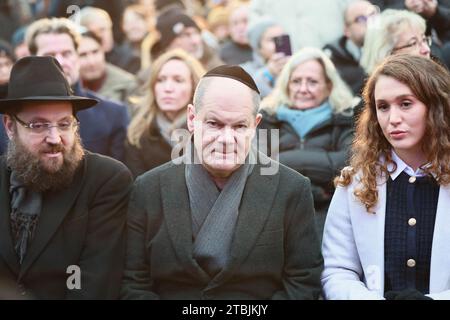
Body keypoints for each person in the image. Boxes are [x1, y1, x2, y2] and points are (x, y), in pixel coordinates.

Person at [121, 65, 323, 300]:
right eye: (214, 124)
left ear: (255, 125)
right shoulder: (148, 188)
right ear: (192, 119)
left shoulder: (291, 189)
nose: (226, 139)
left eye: (239, 126)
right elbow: (133, 282)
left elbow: (303, 281)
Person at [0, 55, 133, 299]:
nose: (54, 138)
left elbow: (95, 285)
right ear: (10, 126)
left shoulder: (106, 180)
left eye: (64, 124)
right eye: (38, 125)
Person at [321, 54, 450, 300]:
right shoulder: (354, 183)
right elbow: (337, 271)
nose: (393, 119)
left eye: (405, 104)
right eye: (383, 107)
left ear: (435, 106)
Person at [259, 47, 356, 236]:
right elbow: (257, 169)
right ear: (286, 84)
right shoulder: (267, 118)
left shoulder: (346, 117)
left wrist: (281, 161)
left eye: (312, 82)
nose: (303, 89)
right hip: (275, 216)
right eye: (296, 81)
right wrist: (312, 191)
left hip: (330, 217)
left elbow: (348, 165)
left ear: (329, 86)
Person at [25, 17, 130, 162]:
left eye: (67, 53)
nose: (60, 62)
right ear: (32, 59)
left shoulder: (114, 114)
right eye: (50, 55)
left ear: (77, 55)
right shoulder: (7, 120)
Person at [125, 49, 205, 178]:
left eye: (178, 80)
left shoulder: (207, 131)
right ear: (153, 86)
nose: (167, 88)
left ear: (194, 88)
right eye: (161, 80)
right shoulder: (137, 133)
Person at [323, 0, 379, 95]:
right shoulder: (332, 59)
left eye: (373, 15)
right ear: (346, 30)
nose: (369, 21)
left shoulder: (394, 47)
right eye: (361, 19)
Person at [361, 9, 431, 75]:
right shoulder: (391, 86)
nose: (426, 49)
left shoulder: (429, 79)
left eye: (424, 40)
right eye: (413, 43)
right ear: (387, 55)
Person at [78, 31, 137, 106]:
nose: (91, 62)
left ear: (103, 51)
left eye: (95, 52)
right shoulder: (67, 87)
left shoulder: (128, 86)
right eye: (82, 55)